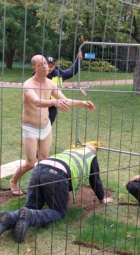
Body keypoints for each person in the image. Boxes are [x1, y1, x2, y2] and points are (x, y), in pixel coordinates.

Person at [0, 145, 113, 245]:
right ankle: (30, 217)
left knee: (32, 206)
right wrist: (102, 198)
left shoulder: (70, 151)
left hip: (39, 168)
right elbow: (95, 180)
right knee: (59, 212)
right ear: (93, 152)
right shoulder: (91, 157)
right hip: (56, 174)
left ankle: (10, 218)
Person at [9, 54, 95, 195]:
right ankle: (13, 181)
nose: (44, 66)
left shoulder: (51, 84)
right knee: (30, 163)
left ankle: (40, 186)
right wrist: (54, 102)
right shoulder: (28, 84)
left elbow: (64, 100)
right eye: (40, 64)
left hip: (46, 126)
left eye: (45, 63)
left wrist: (82, 103)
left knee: (44, 159)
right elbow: (36, 102)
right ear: (34, 68)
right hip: (30, 127)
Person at [45, 52, 83, 125]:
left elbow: (72, 71)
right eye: (47, 66)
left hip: (53, 105)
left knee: (48, 125)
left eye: (51, 66)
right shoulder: (39, 75)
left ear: (54, 66)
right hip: (42, 103)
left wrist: (78, 60)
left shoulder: (60, 74)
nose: (49, 68)